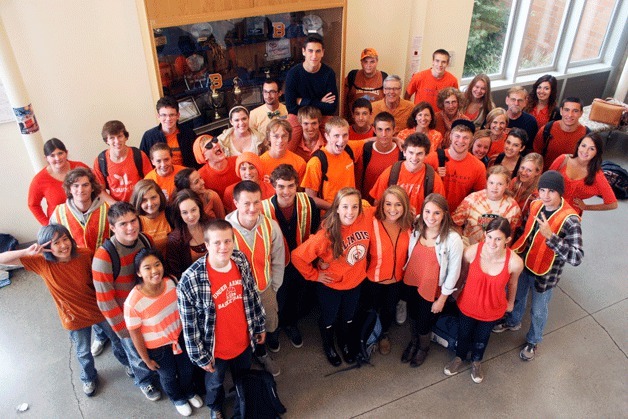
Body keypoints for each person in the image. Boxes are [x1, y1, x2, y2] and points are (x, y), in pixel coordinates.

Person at [0, 224, 129, 397]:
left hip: (98, 310)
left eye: (65, 239)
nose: (63, 246)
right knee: (83, 352)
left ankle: (128, 363)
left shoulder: (85, 254)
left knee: (117, 339)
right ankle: (88, 378)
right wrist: (25, 252)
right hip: (74, 318)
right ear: (46, 247)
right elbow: (2, 259)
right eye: (55, 243)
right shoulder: (41, 262)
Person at [177, 219, 266, 419]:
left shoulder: (240, 260)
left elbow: (252, 294)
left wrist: (260, 325)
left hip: (243, 340)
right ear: (206, 245)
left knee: (242, 377)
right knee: (215, 383)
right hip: (215, 350)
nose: (223, 247)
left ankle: (241, 400)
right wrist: (200, 357)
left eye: (227, 241)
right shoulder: (190, 280)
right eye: (217, 242)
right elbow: (189, 326)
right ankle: (215, 407)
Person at [493, 171, 584, 362]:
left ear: (560, 193)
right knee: (518, 296)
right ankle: (513, 321)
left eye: (551, 191)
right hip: (526, 263)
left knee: (538, 309)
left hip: (547, 273)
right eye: (542, 190)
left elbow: (576, 257)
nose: (545, 195)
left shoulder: (570, 220)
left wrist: (551, 237)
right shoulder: (535, 205)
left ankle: (533, 340)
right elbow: (526, 232)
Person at [291, 187, 372, 366]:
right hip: (331, 286)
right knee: (329, 318)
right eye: (344, 207)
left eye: (354, 207)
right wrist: (315, 275)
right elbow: (297, 256)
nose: (350, 212)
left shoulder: (366, 216)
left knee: (348, 317)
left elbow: (382, 208)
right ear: (336, 208)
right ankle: (329, 344)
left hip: (355, 282)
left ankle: (343, 342)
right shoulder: (326, 234)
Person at [92, 202, 161, 401]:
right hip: (127, 317)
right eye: (123, 224)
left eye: (133, 221)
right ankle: (145, 381)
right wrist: (125, 331)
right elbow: (105, 301)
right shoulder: (104, 257)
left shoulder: (146, 240)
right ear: (112, 228)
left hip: (148, 310)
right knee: (136, 354)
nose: (131, 227)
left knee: (150, 349)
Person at [124, 249, 203, 416]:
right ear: (138, 272)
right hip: (158, 348)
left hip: (180, 337)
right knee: (168, 375)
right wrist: (146, 359)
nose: (154, 271)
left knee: (187, 369)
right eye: (147, 268)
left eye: (157, 264)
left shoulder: (172, 282)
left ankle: (188, 391)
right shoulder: (133, 302)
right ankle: (177, 398)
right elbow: (135, 334)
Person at [444, 218, 523, 383]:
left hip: (492, 309)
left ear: (507, 240)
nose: (492, 243)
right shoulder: (472, 252)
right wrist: (456, 292)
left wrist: (510, 303)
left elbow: (513, 283)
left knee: (482, 338)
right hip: (468, 304)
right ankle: (459, 358)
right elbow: (463, 275)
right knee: (463, 333)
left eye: (498, 239)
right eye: (489, 237)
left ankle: (476, 361)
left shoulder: (515, 263)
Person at [225, 181, 285, 376]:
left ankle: (262, 352)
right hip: (238, 294)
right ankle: (249, 355)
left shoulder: (271, 226)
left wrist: (274, 285)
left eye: (256, 202)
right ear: (235, 203)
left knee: (268, 321)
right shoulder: (225, 230)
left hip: (265, 287)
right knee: (243, 327)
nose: (252, 208)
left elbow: (278, 258)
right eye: (246, 203)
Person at [262, 164, 321, 348]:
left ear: (297, 185)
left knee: (297, 297)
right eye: (281, 186)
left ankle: (291, 324)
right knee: (276, 300)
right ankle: (274, 330)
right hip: (275, 265)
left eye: (290, 186)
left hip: (301, 263)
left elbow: (315, 232)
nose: (286, 191)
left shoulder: (308, 203)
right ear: (273, 185)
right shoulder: (263, 210)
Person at [403, 193, 463, 367]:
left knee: (424, 322)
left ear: (445, 213)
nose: (431, 217)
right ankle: (413, 342)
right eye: (427, 212)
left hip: (431, 290)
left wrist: (443, 299)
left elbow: (454, 272)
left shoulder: (452, 239)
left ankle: (423, 348)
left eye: (436, 213)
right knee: (413, 316)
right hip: (412, 283)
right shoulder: (416, 228)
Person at [363, 186, 413, 355]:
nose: (392, 209)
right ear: (381, 205)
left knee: (389, 310)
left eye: (398, 204)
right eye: (388, 204)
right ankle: (369, 335)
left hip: (397, 280)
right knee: (371, 309)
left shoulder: (410, 224)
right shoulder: (371, 219)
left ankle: (383, 335)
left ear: (405, 206)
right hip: (373, 279)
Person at [370, 132, 445, 213]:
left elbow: (439, 209)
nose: (414, 158)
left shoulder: (433, 179)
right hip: (393, 222)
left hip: (418, 223)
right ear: (404, 152)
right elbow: (377, 203)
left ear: (426, 155)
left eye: (419, 153)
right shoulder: (391, 173)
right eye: (411, 152)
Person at [284, 34, 338, 145]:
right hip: (298, 116)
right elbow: (291, 107)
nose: (314, 55)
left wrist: (303, 101)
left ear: (323, 52)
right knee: (287, 143)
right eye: (310, 51)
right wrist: (320, 103)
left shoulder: (328, 73)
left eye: (318, 51)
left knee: (333, 141)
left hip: (323, 116)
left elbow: (331, 108)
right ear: (304, 51)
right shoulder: (293, 74)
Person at [425, 119, 487, 212]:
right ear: (450, 136)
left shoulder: (479, 167)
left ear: (472, 140)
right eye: (457, 136)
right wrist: (433, 176)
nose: (461, 141)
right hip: (433, 215)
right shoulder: (432, 158)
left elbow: (479, 198)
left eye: (465, 137)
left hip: (459, 218)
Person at [549, 133, 617, 216]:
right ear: (578, 146)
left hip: (569, 215)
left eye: (591, 149)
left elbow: (613, 204)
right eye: (583, 146)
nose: (585, 151)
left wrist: (586, 207)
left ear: (597, 152)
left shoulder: (597, 175)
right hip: (549, 205)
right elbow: (545, 182)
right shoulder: (563, 159)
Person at [452, 165, 521, 245]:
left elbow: (511, 233)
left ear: (507, 185)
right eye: (491, 183)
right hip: (470, 249)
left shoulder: (513, 207)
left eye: (500, 184)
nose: (494, 187)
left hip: (495, 252)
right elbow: (456, 224)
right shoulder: (471, 199)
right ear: (486, 182)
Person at [28, 138, 89, 226]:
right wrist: (48, 225)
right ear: (46, 158)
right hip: (60, 225)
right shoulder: (39, 180)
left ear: (66, 153)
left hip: (87, 219)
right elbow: (33, 205)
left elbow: (97, 188)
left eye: (60, 153)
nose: (57, 158)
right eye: (52, 155)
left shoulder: (80, 167)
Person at [301, 117, 356, 210]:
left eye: (345, 135)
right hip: (329, 215)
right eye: (336, 136)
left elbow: (367, 142)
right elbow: (310, 198)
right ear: (327, 136)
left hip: (351, 210)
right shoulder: (316, 162)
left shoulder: (349, 149)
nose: (341, 140)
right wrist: (336, 209)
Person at [50, 167, 109, 252]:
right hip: (73, 263)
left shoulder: (107, 209)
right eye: (76, 186)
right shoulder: (58, 214)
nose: (81, 190)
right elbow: (53, 245)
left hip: (104, 262)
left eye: (85, 185)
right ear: (70, 189)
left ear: (92, 188)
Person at [93, 120, 153, 203]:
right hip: (116, 207)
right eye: (112, 138)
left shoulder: (139, 155)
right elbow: (100, 190)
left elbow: (150, 182)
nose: (117, 141)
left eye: (120, 136)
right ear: (106, 140)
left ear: (126, 137)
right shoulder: (101, 160)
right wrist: (115, 205)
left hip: (140, 203)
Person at [356, 111, 403, 201]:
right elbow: (358, 182)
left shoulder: (402, 152)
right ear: (374, 130)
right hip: (367, 205)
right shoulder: (366, 150)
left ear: (394, 130)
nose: (384, 134)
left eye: (388, 129)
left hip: (392, 207)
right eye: (380, 129)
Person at [140, 96, 198, 168]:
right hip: (160, 177)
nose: (168, 119)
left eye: (172, 115)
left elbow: (196, 160)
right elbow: (143, 163)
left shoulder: (188, 133)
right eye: (164, 115)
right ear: (158, 116)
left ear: (178, 115)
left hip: (184, 176)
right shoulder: (148, 136)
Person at [533, 97, 588, 171]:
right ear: (561, 111)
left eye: (575, 111)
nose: (570, 114)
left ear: (581, 113)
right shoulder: (547, 130)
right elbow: (535, 155)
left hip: (571, 178)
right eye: (566, 110)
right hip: (545, 175)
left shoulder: (586, 136)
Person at [166, 189, 209, 279]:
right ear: (179, 214)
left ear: (199, 208)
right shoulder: (175, 240)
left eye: (193, 210)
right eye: (185, 212)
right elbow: (176, 274)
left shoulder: (212, 225)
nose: (190, 216)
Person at [343, 48, 388, 119]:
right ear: (361, 62)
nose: (368, 65)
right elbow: (343, 100)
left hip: (376, 123)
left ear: (377, 62)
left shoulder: (384, 78)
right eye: (365, 61)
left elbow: (388, 102)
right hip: (354, 122)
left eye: (372, 62)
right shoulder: (352, 76)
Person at [131, 179, 171, 257]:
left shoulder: (170, 214)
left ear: (160, 196)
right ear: (138, 201)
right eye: (144, 200)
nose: (150, 204)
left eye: (153, 198)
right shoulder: (134, 222)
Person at [508, 153, 544, 238]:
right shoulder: (514, 181)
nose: (523, 172)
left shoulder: (538, 195)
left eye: (529, 170)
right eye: (522, 168)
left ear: (537, 172)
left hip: (521, 232)